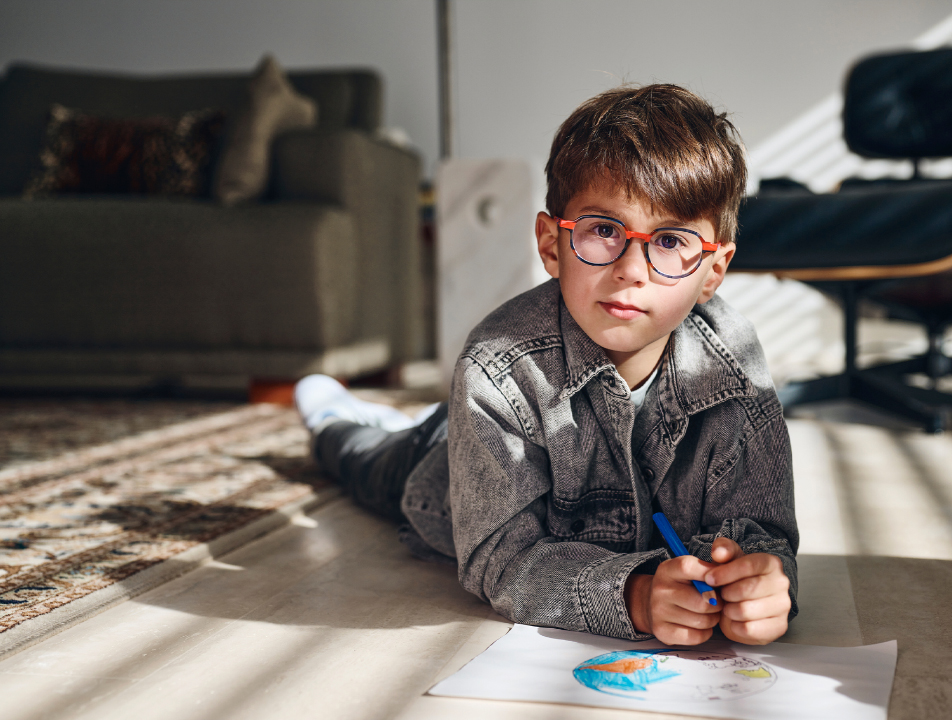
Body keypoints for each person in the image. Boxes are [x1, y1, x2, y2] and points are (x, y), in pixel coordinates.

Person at [296, 84, 798, 647]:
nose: (632, 269)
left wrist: (761, 580)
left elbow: (763, 534)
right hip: (438, 472)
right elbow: (501, 558)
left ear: (713, 270)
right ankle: (334, 417)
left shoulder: (737, 371)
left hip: (484, 426)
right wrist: (632, 595)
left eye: (671, 240)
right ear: (552, 244)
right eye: (605, 230)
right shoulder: (494, 368)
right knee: (362, 457)